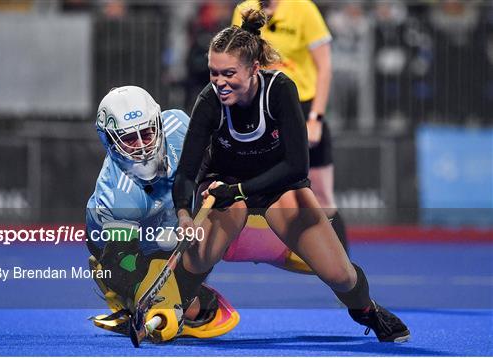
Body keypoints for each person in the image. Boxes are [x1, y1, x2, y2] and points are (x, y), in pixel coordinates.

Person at [172, 9, 410, 342]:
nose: (220, 82)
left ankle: (367, 311)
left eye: (229, 73)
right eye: (214, 73)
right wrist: (184, 215)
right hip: (225, 190)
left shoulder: (281, 90)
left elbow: (297, 166)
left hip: (279, 186)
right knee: (198, 257)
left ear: (254, 69)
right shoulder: (209, 100)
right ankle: (173, 309)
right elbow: (185, 171)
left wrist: (239, 189)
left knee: (341, 275)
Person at [85, 86, 239, 342]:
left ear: (158, 122)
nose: (144, 148)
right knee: (198, 311)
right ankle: (122, 293)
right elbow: (118, 260)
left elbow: (215, 161)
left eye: (146, 133)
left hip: (174, 222)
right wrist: (156, 294)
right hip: (125, 248)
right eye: (130, 139)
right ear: (109, 141)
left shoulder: (178, 125)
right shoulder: (116, 194)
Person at [231, 0, 349, 253]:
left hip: (303, 108)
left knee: (321, 196)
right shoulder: (244, 8)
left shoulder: (303, 8)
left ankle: (346, 271)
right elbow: (237, 63)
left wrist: (315, 118)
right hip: (264, 110)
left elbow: (325, 67)